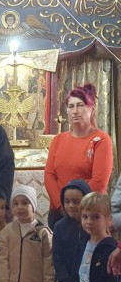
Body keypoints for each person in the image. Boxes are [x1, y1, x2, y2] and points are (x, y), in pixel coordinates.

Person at [44, 83, 113, 228]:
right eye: (71, 106)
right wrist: (62, 205)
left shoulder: (101, 139)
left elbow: (99, 182)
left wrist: (77, 207)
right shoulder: (58, 140)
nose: (75, 111)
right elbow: (49, 175)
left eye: (80, 105)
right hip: (59, 212)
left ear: (91, 108)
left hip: (89, 213)